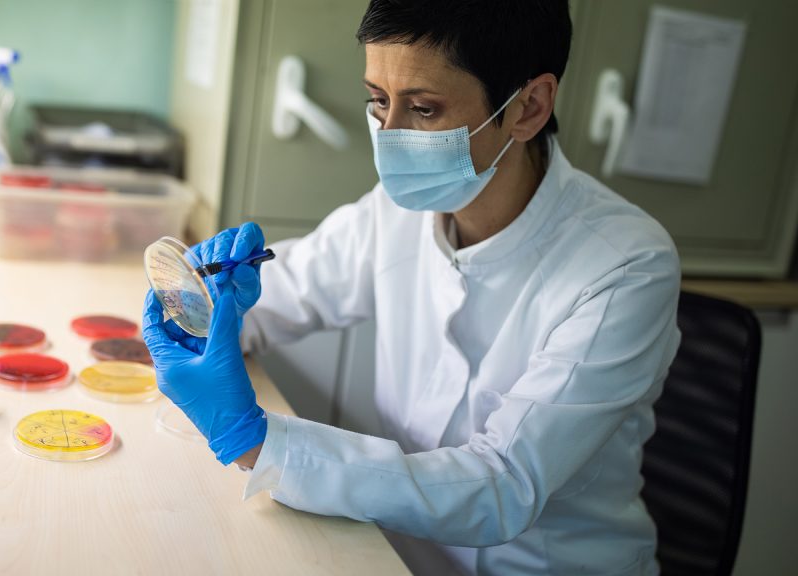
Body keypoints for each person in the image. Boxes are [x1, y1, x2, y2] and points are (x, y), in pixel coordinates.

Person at [143, 1, 680, 574]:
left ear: (528, 106)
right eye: (379, 100)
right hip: (391, 550)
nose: (390, 136)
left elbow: (505, 484)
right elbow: (278, 297)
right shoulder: (398, 210)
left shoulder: (625, 266)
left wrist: (258, 442)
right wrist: (199, 301)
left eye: (423, 108)